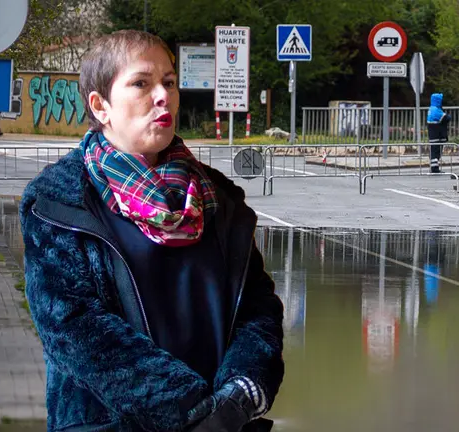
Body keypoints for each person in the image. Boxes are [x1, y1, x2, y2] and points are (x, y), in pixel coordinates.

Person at [19, 30, 283, 432]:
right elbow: (74, 329)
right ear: (100, 105)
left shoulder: (219, 199)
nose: (163, 96)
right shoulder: (59, 202)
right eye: (142, 83)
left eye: (170, 82)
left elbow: (257, 310)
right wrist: (194, 414)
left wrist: (237, 398)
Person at [426, 92, 451, 173]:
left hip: (433, 135)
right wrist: (448, 115)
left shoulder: (431, 108)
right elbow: (446, 118)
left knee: (434, 151)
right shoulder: (436, 110)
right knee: (436, 151)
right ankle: (434, 168)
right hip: (437, 135)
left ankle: (434, 166)